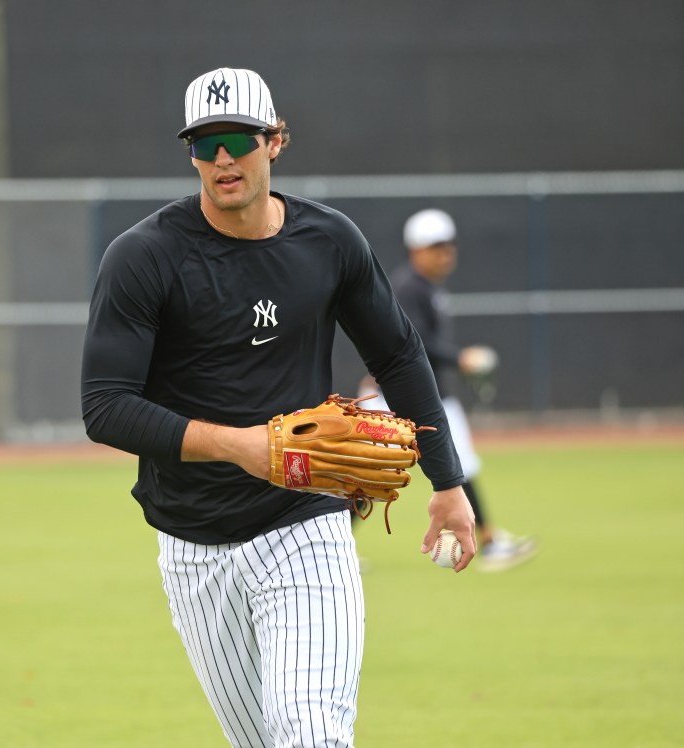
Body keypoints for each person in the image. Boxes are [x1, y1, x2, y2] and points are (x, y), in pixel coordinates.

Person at [80, 67, 476, 748]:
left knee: (309, 733)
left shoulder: (328, 242)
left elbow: (400, 356)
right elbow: (105, 407)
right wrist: (240, 445)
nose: (223, 157)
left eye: (238, 137)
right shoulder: (145, 257)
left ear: (276, 141)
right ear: (191, 154)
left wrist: (447, 483)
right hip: (192, 542)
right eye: (206, 143)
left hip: (306, 521)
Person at [358, 208, 538, 572]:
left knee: (453, 467)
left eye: (448, 245)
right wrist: (461, 358)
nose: (446, 252)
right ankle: (489, 541)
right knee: (365, 474)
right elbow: (415, 344)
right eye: (436, 246)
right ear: (416, 249)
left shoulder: (427, 287)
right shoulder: (409, 288)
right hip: (403, 398)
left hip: (427, 395)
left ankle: (488, 539)